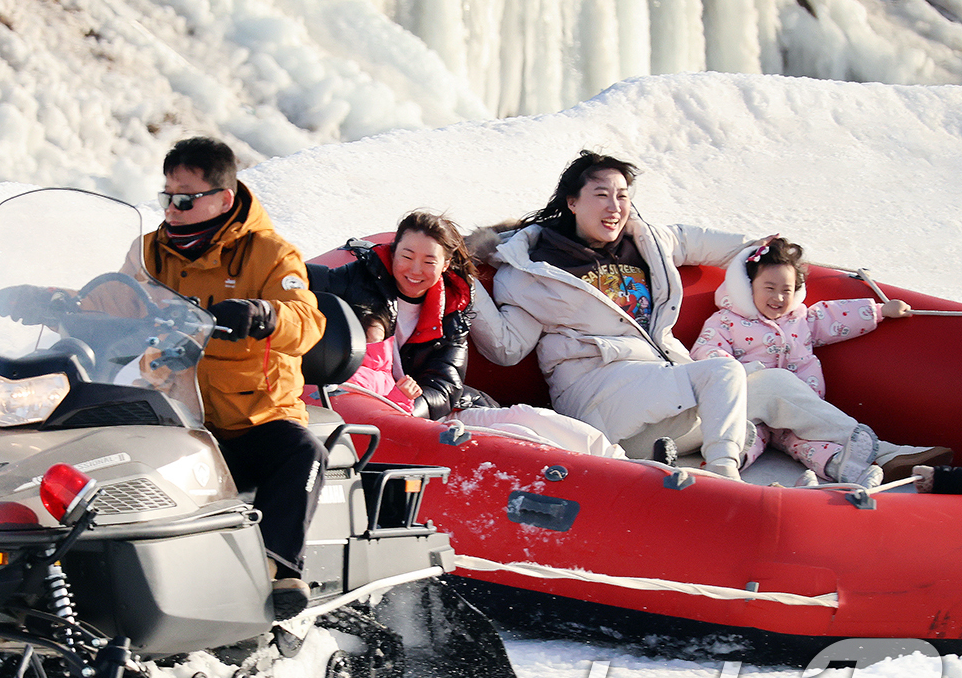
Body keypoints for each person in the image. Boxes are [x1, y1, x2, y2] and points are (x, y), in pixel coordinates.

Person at [0, 137, 326, 620]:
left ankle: (279, 572)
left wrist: (264, 313)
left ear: (223, 199)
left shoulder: (270, 254)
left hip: (248, 420)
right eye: (166, 197)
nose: (172, 209)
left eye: (185, 199)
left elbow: (307, 320)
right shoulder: (149, 250)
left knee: (301, 451)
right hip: (171, 412)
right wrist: (51, 300)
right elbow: (117, 303)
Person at [467, 150, 893, 481]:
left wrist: (767, 256)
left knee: (775, 384)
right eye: (601, 195)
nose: (615, 206)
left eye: (622, 196)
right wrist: (464, 276)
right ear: (573, 202)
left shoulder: (646, 242)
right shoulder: (532, 269)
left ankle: (885, 454)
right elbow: (506, 348)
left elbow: (709, 245)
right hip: (601, 400)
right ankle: (723, 475)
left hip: (665, 401)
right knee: (722, 373)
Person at [310, 211, 628, 460]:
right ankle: (598, 476)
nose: (414, 269)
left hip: (430, 407)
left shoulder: (451, 303)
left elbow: (446, 381)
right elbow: (295, 278)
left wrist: (412, 406)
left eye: (429, 261)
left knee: (527, 417)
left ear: (446, 263)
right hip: (390, 413)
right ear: (393, 252)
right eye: (406, 256)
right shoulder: (358, 279)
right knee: (518, 437)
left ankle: (626, 465)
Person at [691, 237, 952, 484]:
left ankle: (847, 468)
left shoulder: (801, 319)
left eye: (787, 290)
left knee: (809, 443)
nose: (779, 298)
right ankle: (726, 464)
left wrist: (880, 310)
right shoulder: (727, 321)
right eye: (769, 288)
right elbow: (707, 351)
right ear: (748, 287)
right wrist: (745, 372)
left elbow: (836, 317)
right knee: (745, 436)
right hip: (753, 408)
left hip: (799, 414)